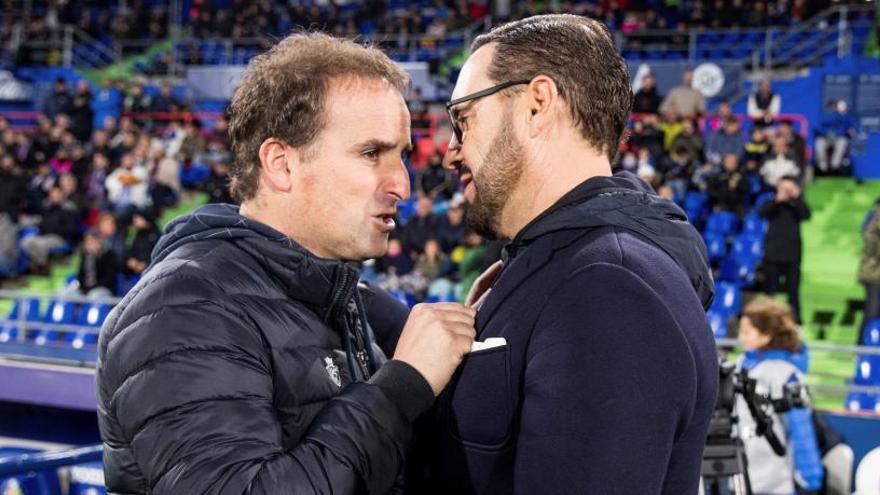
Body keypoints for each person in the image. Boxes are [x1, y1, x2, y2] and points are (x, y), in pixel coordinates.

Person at [96, 33, 476, 494]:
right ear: (281, 164)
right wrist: (400, 388)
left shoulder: (339, 296)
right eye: (371, 153)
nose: (402, 184)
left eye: (402, 156)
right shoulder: (184, 307)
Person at [412, 15, 718, 494]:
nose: (450, 151)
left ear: (537, 104)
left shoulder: (608, 288)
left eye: (462, 119)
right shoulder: (568, 265)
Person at [737, 297, 824, 494]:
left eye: (747, 332)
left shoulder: (788, 376)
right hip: (743, 475)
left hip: (774, 481)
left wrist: (810, 477)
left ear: (766, 336)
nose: (741, 338)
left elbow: (800, 429)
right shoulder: (743, 364)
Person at [760, 176, 811, 323]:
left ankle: (795, 322)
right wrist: (778, 199)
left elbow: (806, 215)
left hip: (792, 255)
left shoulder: (796, 205)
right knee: (770, 292)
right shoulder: (772, 203)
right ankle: (767, 321)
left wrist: (795, 198)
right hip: (772, 254)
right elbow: (762, 213)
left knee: (793, 293)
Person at [858, 198, 880, 344]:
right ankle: (861, 347)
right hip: (873, 273)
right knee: (872, 311)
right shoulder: (873, 219)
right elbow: (871, 247)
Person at [815, 100, 856, 176]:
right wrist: (826, 133)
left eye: (834, 107)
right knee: (819, 142)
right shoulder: (822, 116)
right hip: (826, 138)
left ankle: (835, 166)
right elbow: (817, 128)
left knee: (843, 141)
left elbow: (850, 127)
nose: (832, 108)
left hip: (838, 138)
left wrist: (850, 130)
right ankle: (823, 168)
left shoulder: (843, 116)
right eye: (831, 107)